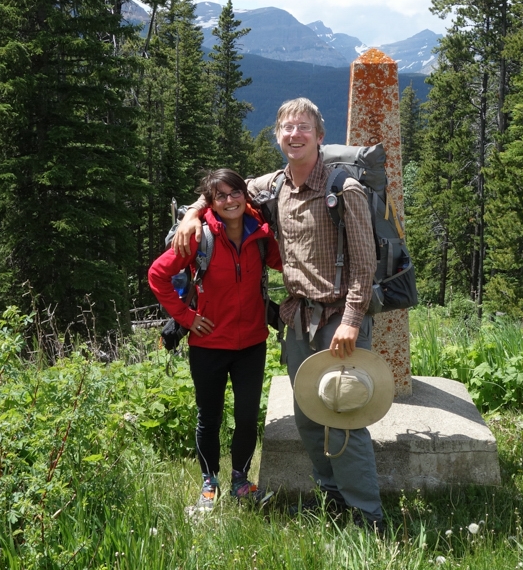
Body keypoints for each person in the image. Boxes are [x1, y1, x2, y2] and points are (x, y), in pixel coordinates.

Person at [172, 98, 385, 532]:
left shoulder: (344, 189)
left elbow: (365, 264)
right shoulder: (275, 185)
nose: (295, 134)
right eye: (287, 127)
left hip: (338, 322)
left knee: (343, 417)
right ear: (278, 136)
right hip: (297, 322)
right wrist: (193, 214)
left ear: (320, 136)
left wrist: (349, 320)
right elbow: (223, 188)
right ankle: (334, 501)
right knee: (308, 418)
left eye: (304, 127)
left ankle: (369, 517)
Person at [148, 169, 282, 511]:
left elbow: (287, 264)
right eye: (220, 196)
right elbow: (158, 275)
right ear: (211, 202)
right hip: (208, 345)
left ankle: (240, 480)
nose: (229, 200)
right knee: (209, 417)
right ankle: (210, 481)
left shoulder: (261, 234)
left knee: (248, 415)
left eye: (234, 192)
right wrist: (188, 318)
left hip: (252, 342)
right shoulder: (198, 237)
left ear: (244, 195)